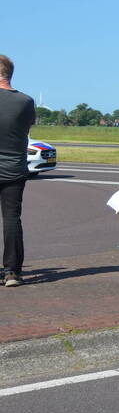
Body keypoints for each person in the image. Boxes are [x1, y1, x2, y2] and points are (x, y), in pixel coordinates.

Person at [0, 55, 35, 287]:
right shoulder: (26, 101)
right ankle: (12, 272)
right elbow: (27, 125)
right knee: (12, 219)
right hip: (14, 168)